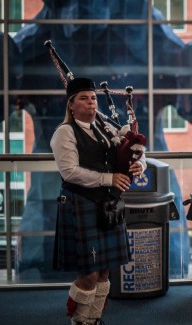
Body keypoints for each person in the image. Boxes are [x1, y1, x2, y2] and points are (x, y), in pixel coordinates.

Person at [51, 77, 145, 324]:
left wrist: (138, 165)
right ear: (71, 105)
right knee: (89, 275)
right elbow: (69, 171)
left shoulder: (106, 129)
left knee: (105, 272)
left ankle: (94, 319)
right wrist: (109, 178)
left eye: (93, 98)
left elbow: (134, 152)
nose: (91, 102)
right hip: (80, 204)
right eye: (84, 98)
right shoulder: (65, 132)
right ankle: (80, 320)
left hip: (108, 207)